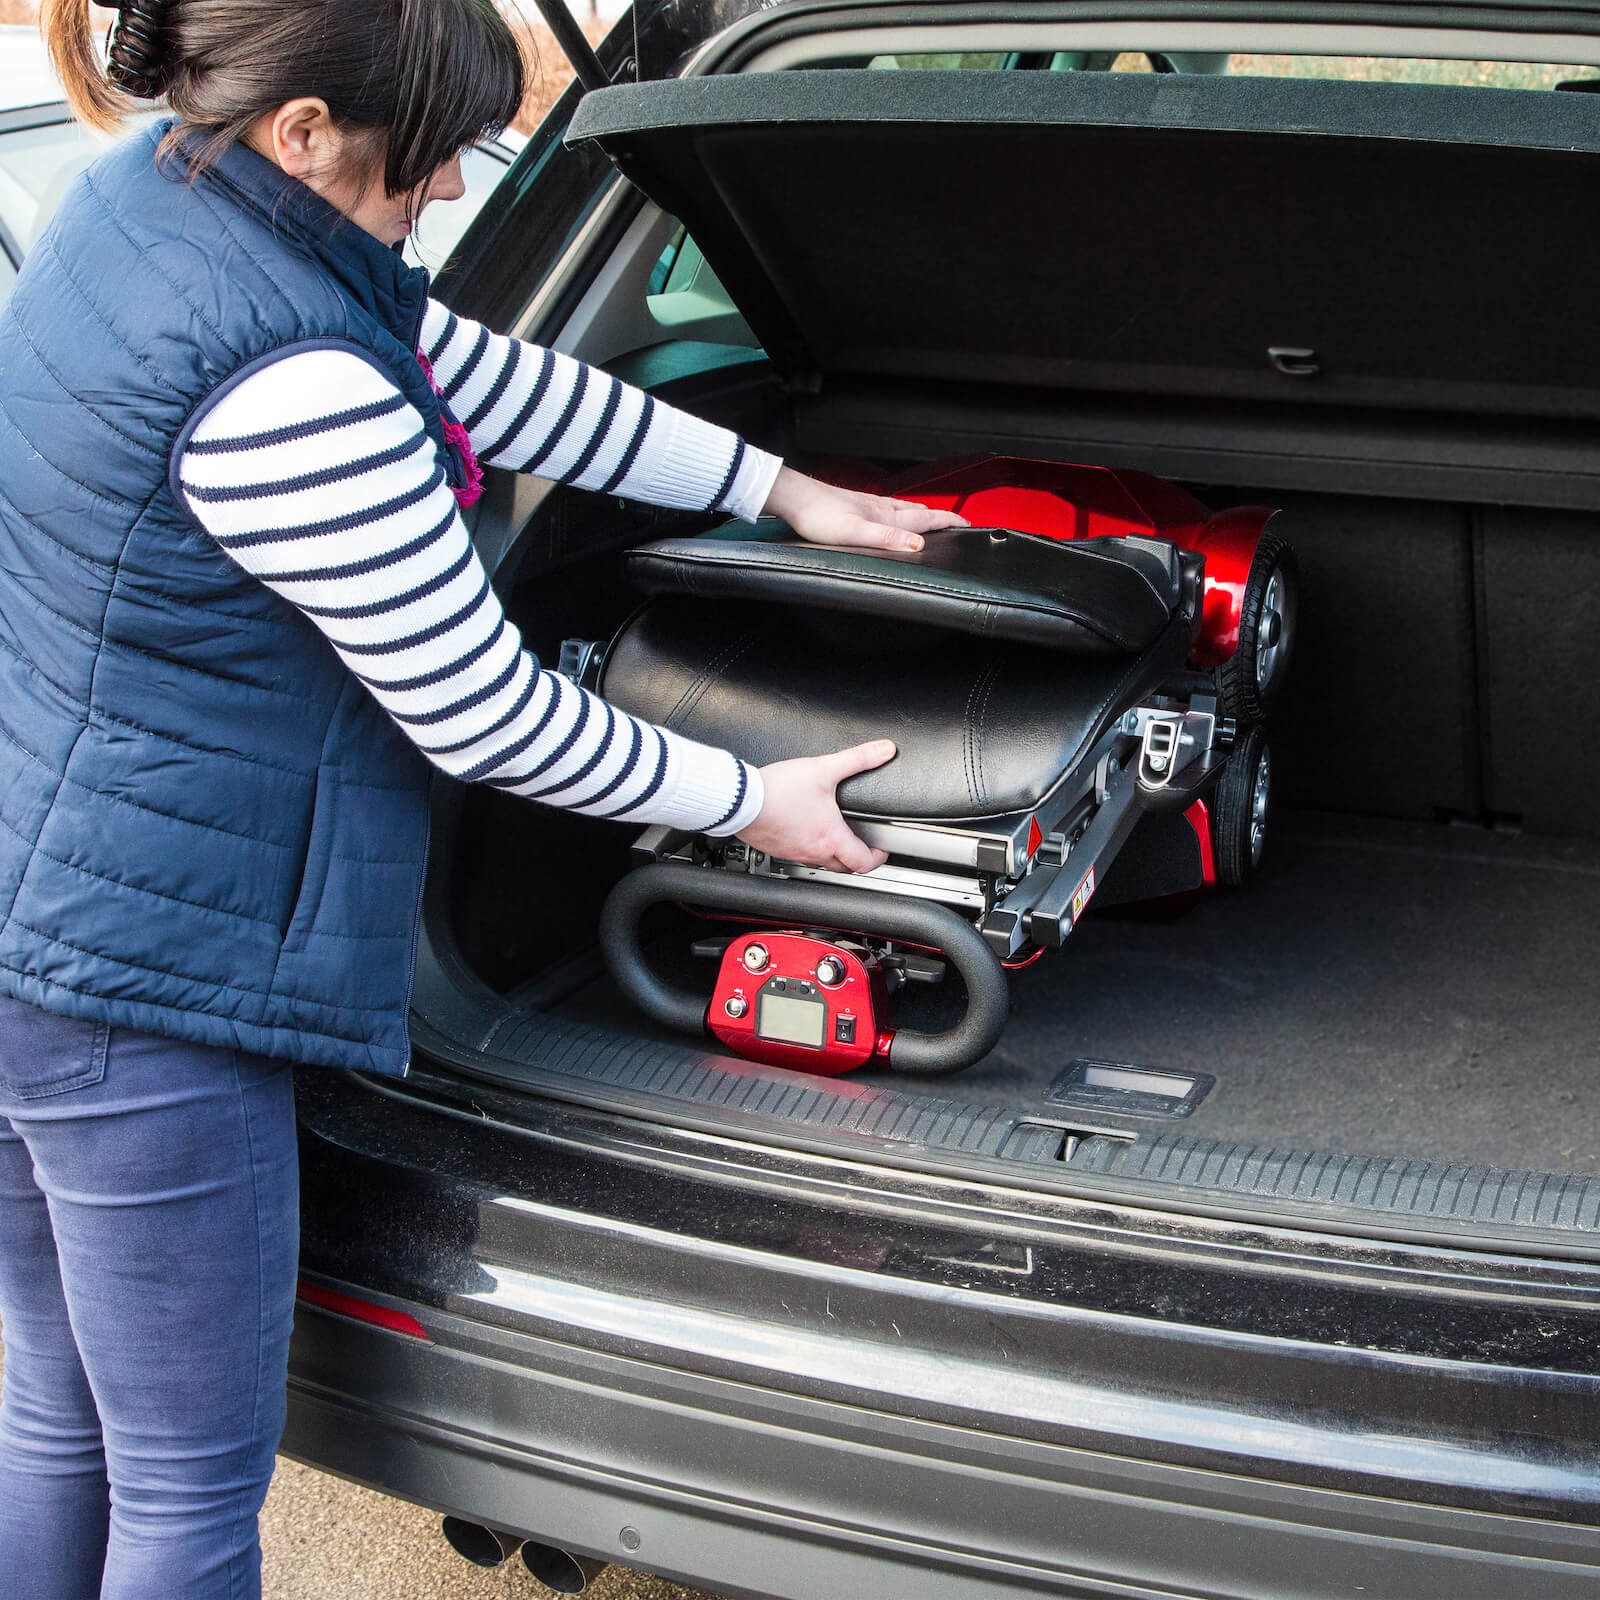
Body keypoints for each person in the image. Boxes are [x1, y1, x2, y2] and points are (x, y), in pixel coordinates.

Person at [0, 2, 965, 1595]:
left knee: (59, 1405)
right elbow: (484, 715)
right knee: (182, 1490)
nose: (448, 191)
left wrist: (777, 487)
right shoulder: (288, 389)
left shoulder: (157, 197)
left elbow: (475, 374)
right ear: (304, 132)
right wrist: (750, 798)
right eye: (425, 161)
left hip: (40, 909)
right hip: (136, 1001)